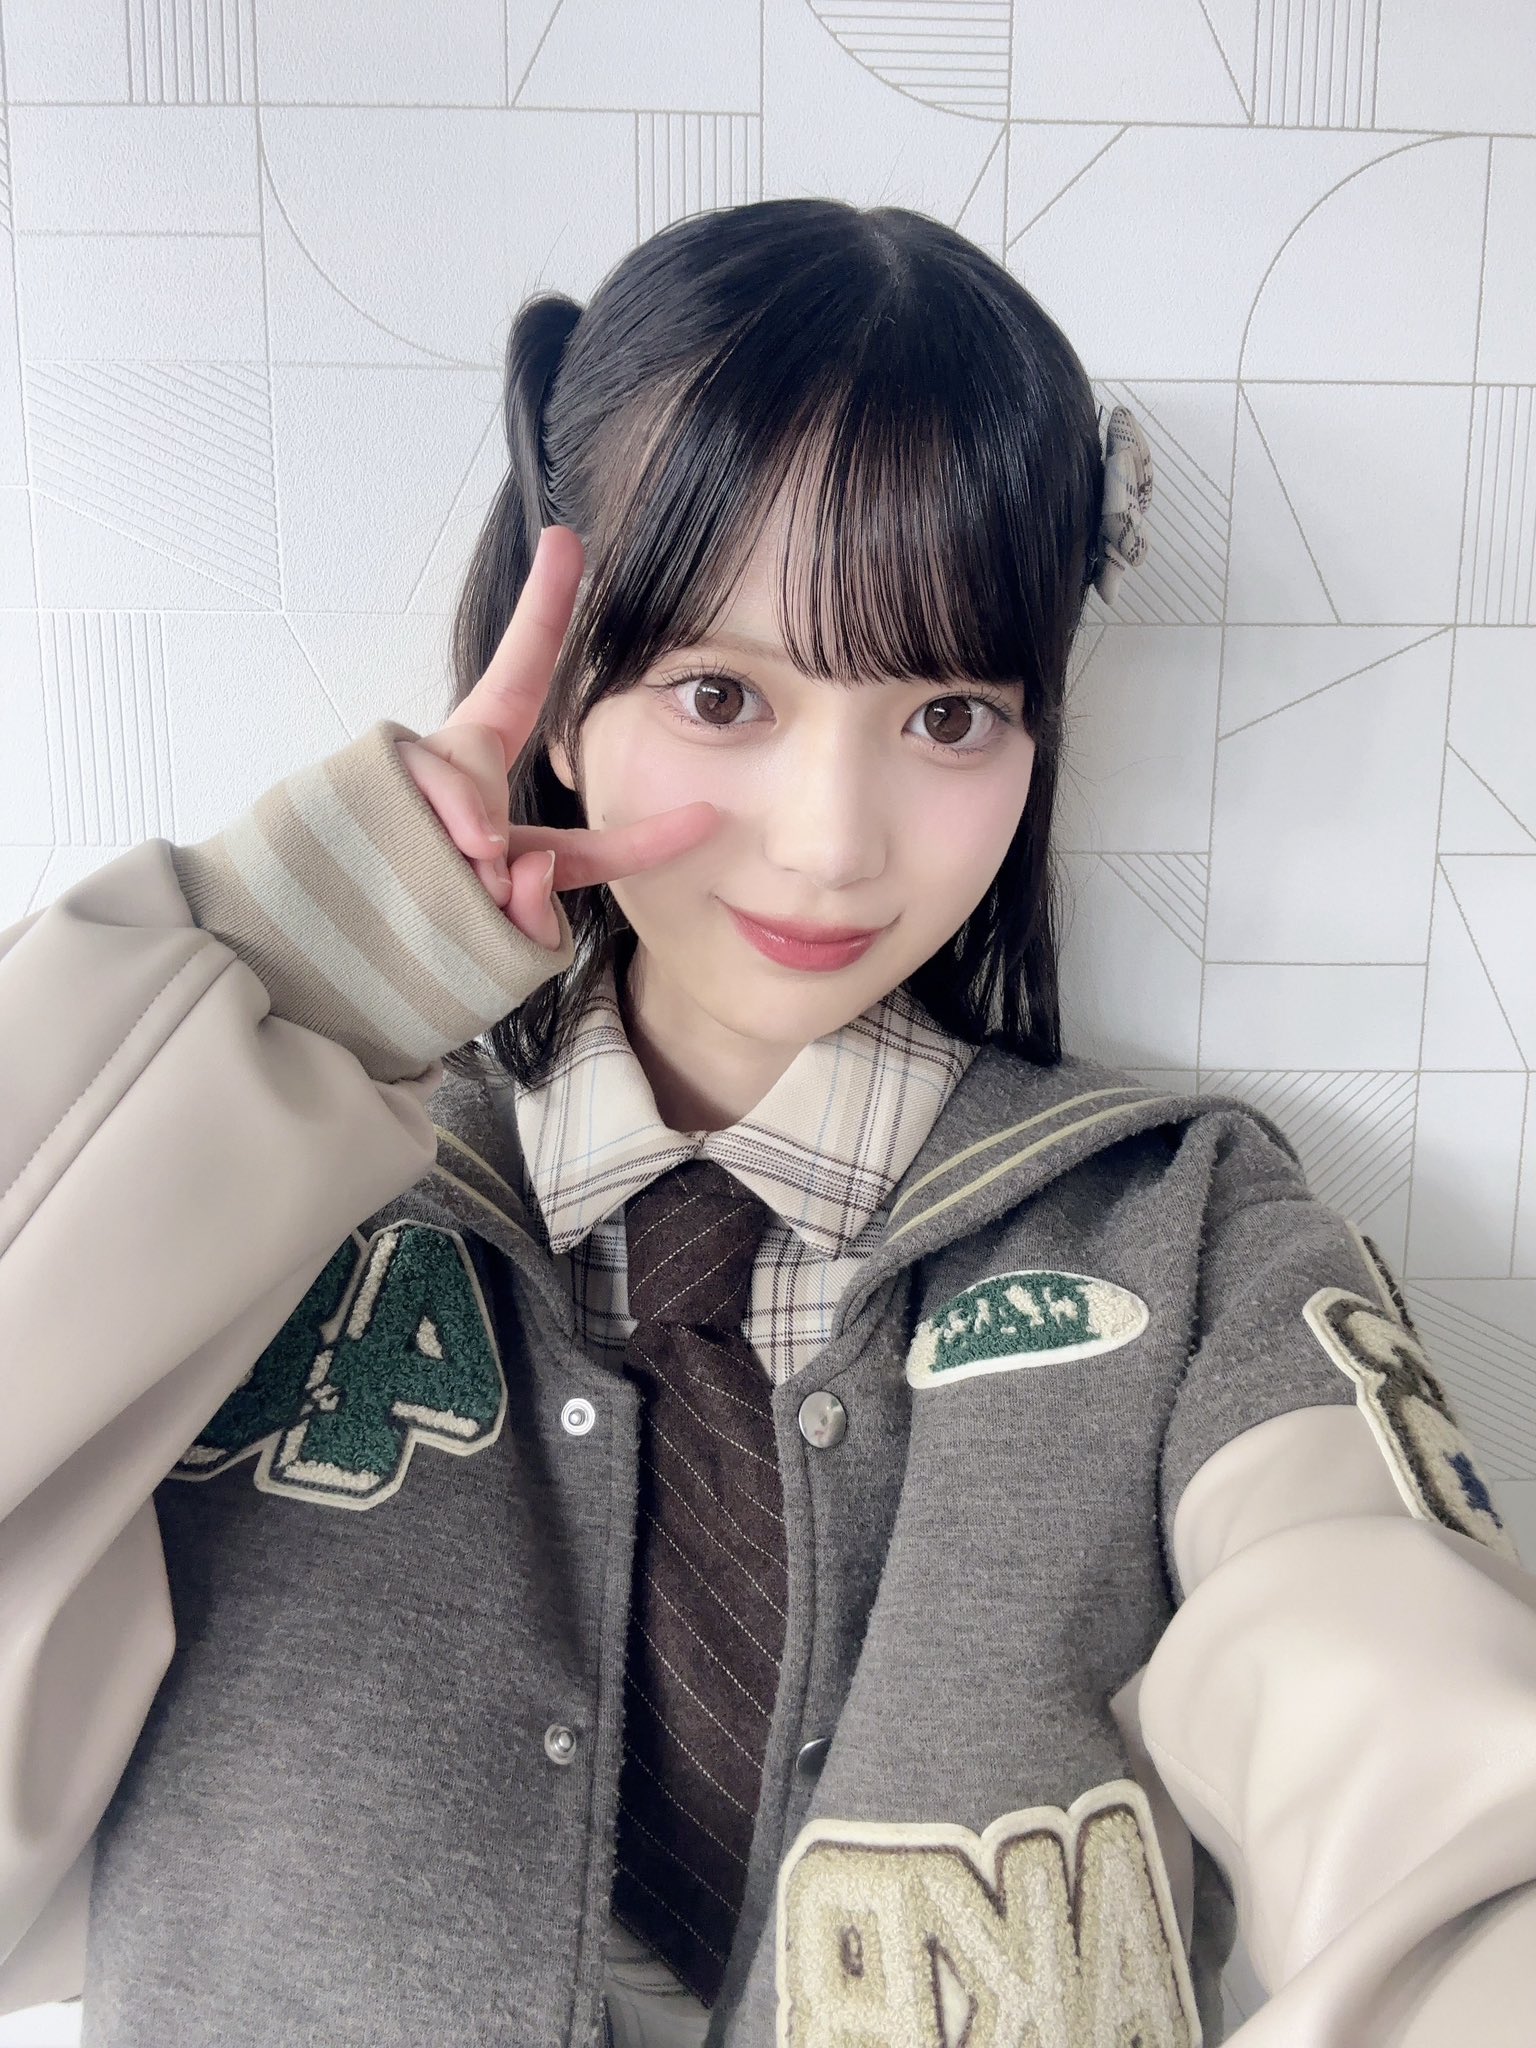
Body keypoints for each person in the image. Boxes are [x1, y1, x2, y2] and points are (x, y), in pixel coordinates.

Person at [1, 197, 1533, 2048]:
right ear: (566, 699)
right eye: (722, 694)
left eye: (949, 715)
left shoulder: (1185, 1241)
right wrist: (278, 973)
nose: (831, 843)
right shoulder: (250, 1223)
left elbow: (1408, 1732)